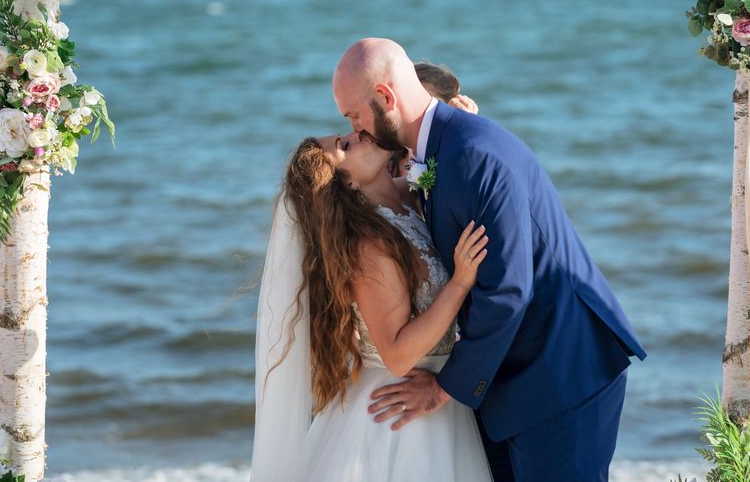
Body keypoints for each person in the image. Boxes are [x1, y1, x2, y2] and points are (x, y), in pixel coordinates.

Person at [332, 38, 646, 482]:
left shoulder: (472, 155)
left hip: (560, 374)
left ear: (385, 97)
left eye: (354, 116)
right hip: (511, 383)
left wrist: (442, 390)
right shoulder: (441, 148)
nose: (357, 129)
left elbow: (507, 291)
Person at [251, 129, 494, 481]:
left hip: (438, 397)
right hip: (400, 414)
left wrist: (461, 122)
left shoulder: (410, 198)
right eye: (346, 145)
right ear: (346, 185)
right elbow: (396, 353)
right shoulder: (370, 246)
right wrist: (459, 283)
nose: (358, 134)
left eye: (347, 131)